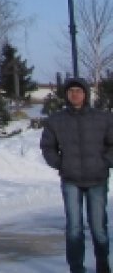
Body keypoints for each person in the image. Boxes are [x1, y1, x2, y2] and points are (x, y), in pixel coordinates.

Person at [41, 77, 113, 273]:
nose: (75, 94)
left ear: (86, 94)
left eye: (79, 91)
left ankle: (103, 263)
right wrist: (61, 164)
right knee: (74, 227)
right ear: (66, 94)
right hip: (71, 180)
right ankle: (76, 266)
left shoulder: (103, 118)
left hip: (97, 179)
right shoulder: (56, 120)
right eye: (71, 91)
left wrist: (105, 162)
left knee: (98, 227)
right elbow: (47, 146)